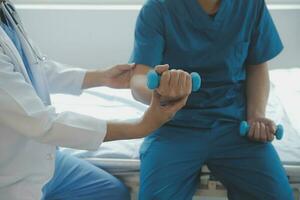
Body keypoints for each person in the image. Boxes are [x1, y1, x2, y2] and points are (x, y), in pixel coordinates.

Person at [0, 0, 193, 199]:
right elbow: (43, 123)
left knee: (111, 192)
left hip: (43, 159)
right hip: (12, 175)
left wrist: (100, 77)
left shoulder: (5, 10)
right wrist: (141, 126)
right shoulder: (157, 10)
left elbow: (36, 67)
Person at [129, 0, 294, 199]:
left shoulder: (250, 5)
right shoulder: (158, 9)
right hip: (173, 126)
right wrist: (160, 93)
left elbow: (257, 65)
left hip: (235, 125)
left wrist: (256, 116)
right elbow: (138, 80)